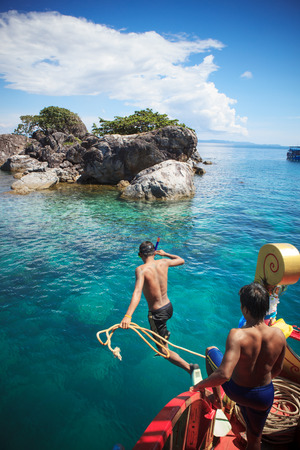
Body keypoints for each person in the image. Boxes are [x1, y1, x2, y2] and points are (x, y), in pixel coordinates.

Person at [190, 282, 286, 450]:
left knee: (210, 351)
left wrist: (200, 385)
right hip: (264, 396)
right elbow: (277, 369)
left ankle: (218, 400)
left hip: (238, 391)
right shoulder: (279, 335)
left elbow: (224, 375)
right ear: (265, 308)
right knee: (255, 439)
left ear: (245, 309)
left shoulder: (237, 335)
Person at [120, 241, 197, 375]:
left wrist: (128, 315)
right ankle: (164, 335)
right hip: (168, 308)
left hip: (157, 314)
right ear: (154, 253)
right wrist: (164, 253)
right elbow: (181, 260)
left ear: (140, 255)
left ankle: (190, 369)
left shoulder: (141, 269)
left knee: (162, 351)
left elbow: (137, 292)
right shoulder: (163, 262)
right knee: (162, 331)